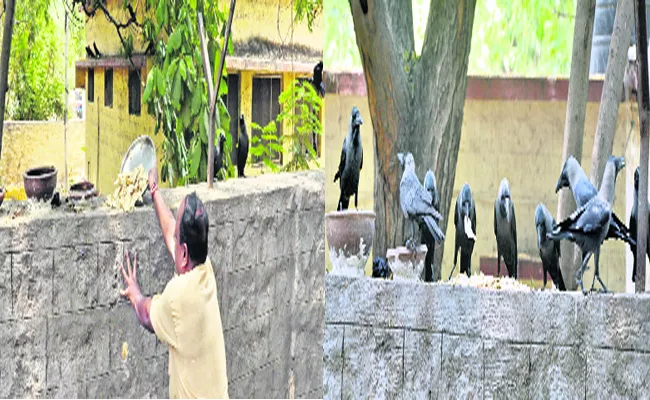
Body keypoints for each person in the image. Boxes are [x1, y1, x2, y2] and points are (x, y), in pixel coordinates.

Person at [119, 165, 229, 399]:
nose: (174, 238)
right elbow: (172, 232)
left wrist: (134, 292)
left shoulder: (178, 296)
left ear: (185, 252)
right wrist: (155, 190)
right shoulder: (205, 270)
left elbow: (147, 315)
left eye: (179, 237)